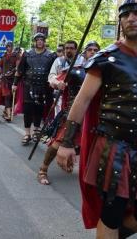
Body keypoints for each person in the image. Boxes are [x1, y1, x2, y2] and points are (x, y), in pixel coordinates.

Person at [56, 0, 137, 238]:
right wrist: (66, 143)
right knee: (111, 211)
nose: (130, 19)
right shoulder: (107, 58)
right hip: (114, 149)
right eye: (125, 14)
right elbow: (82, 100)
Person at [37, 40, 85, 185]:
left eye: (95, 50)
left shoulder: (95, 69)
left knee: (88, 145)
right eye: (90, 50)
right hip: (71, 112)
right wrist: (58, 84)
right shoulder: (71, 68)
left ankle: (75, 166)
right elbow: (53, 79)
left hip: (90, 115)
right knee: (59, 143)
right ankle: (43, 170)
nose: (93, 53)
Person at [13, 33, 55, 145]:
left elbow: (54, 72)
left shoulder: (51, 55)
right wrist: (15, 83)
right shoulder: (27, 54)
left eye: (42, 40)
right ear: (35, 42)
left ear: (44, 41)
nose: (40, 42)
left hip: (43, 87)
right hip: (29, 86)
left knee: (39, 109)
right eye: (38, 40)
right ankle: (27, 133)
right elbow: (20, 70)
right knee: (27, 110)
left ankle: (36, 131)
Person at [0, 42, 18, 122]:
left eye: (10, 46)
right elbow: (0, 67)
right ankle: (8, 114)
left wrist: (13, 70)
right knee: (7, 96)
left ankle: (7, 110)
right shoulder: (3, 57)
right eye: (7, 47)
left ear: (12, 47)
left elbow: (18, 67)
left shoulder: (16, 56)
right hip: (5, 80)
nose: (8, 48)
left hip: (14, 79)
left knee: (11, 96)